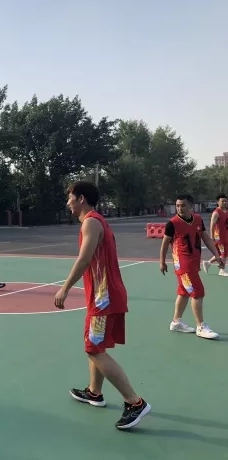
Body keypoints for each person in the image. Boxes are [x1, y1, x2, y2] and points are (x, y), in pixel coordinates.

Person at [54, 180, 150, 430]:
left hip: (103, 298)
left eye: (70, 197)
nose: (68, 202)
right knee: (94, 346)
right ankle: (94, 392)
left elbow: (84, 259)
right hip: (104, 296)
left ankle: (135, 402)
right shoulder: (97, 221)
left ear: (81, 199)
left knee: (94, 349)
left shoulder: (91, 222)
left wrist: (64, 288)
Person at [159, 194, 222, 339]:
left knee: (184, 292)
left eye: (183, 205)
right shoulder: (172, 223)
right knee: (197, 292)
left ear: (191, 206)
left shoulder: (198, 219)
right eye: (177, 206)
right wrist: (162, 262)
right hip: (183, 265)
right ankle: (201, 326)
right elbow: (164, 244)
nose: (179, 208)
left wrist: (216, 254)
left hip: (193, 262)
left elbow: (205, 237)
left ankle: (176, 322)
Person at [201, 193, 228, 276]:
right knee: (223, 254)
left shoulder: (226, 211)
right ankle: (222, 270)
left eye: (225, 201)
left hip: (226, 236)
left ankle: (208, 263)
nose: (224, 203)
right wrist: (212, 236)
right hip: (219, 238)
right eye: (222, 201)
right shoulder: (216, 212)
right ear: (218, 202)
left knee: (221, 254)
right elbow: (212, 225)